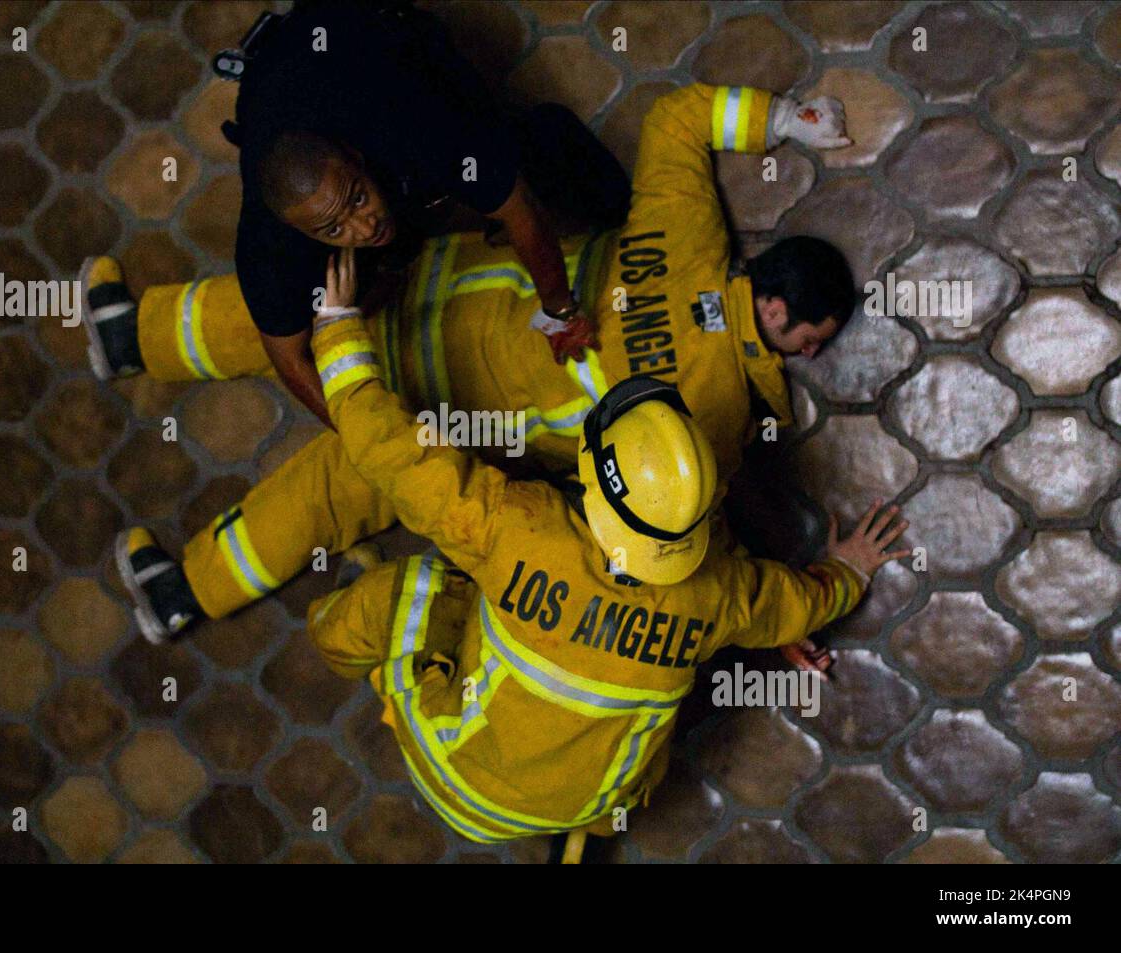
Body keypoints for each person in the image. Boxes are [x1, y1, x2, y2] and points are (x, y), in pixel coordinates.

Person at [108, 82, 859, 651]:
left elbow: (679, 120)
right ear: (776, 316)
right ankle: (180, 592)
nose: (812, 353)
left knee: (292, 311)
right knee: (333, 491)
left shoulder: (685, 235)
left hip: (429, 297)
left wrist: (787, 120)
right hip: (448, 416)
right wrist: (790, 622)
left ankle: (130, 333)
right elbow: (701, 559)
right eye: (813, 338)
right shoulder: (715, 425)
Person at [264, 254, 906, 841]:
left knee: (422, 589)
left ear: (594, 488)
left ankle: (329, 637)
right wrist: (851, 568)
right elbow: (797, 606)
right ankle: (585, 830)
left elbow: (390, 453)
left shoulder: (521, 526)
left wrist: (338, 326)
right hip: (590, 807)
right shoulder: (719, 593)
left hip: (456, 775)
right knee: (640, 733)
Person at [82, 0, 630, 425]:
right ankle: (132, 335)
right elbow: (290, 359)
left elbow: (519, 208)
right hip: (281, 78)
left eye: (359, 199)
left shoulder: (415, 125)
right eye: (334, 227)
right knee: (342, 306)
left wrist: (559, 310)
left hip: (367, 38)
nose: (363, 226)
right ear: (299, 230)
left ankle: (618, 206)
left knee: (536, 149)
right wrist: (375, 440)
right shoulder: (270, 246)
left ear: (361, 160)